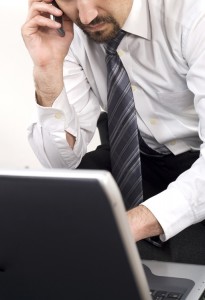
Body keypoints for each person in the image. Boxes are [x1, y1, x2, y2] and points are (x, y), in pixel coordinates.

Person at [22, 0, 205, 264]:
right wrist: (46, 69)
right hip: (135, 155)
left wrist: (128, 225)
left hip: (196, 161)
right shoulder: (67, 32)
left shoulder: (193, 14)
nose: (87, 16)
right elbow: (61, 164)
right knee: (39, 228)